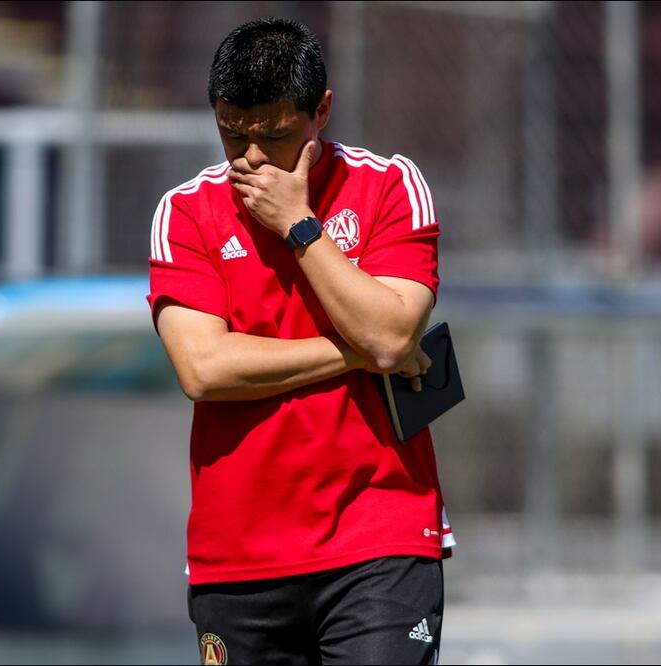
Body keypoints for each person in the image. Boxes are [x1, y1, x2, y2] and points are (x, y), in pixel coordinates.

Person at [148, 17, 453, 665]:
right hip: (238, 557)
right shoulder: (184, 212)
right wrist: (357, 353)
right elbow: (203, 368)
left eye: (275, 134)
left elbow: (393, 330)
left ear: (321, 112)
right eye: (232, 132)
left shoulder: (390, 186)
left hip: (380, 540)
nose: (250, 157)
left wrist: (300, 226)